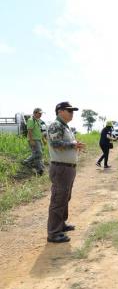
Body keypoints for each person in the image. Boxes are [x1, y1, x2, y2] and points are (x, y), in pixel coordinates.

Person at [47, 102, 85, 243]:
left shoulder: (65, 127)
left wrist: (75, 145)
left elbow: (65, 144)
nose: (72, 113)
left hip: (67, 168)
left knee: (64, 198)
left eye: (72, 110)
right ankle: (53, 233)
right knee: (58, 199)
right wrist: (73, 145)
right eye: (69, 110)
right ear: (60, 111)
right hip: (61, 168)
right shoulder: (55, 125)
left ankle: (61, 225)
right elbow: (56, 144)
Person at [23, 108, 46, 175]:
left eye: (41, 113)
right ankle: (27, 161)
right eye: (39, 113)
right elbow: (29, 131)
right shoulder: (31, 120)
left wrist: (43, 139)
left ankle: (40, 169)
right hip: (34, 139)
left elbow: (39, 131)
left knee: (38, 154)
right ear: (35, 113)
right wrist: (31, 140)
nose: (41, 115)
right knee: (39, 153)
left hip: (38, 139)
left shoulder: (38, 121)